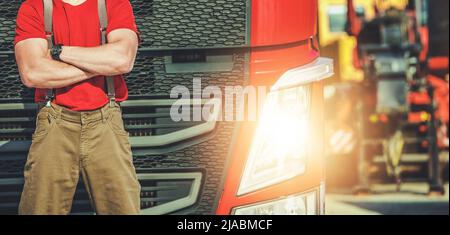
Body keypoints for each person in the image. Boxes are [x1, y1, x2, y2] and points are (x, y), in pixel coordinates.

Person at [14, 0, 141, 215]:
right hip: (54, 120)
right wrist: (101, 65)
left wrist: (56, 52)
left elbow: (122, 59)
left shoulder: (115, 3)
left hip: (106, 121)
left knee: (122, 209)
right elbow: (33, 73)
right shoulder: (34, 6)